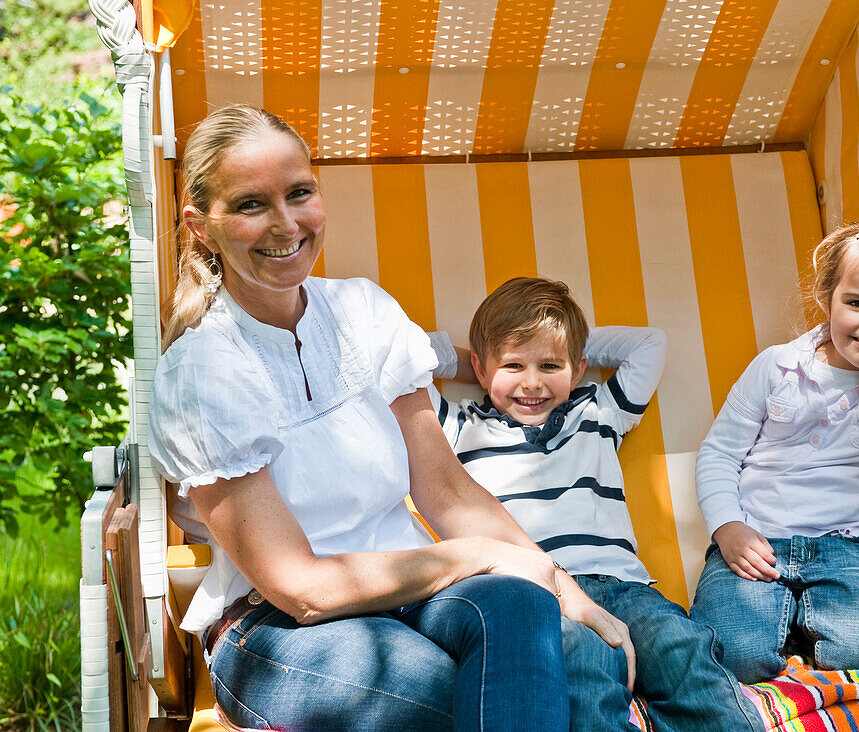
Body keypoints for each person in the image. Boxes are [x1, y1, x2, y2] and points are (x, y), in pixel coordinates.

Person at [147, 105, 632, 732]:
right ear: (201, 226)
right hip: (277, 627)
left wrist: (560, 585)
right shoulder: (203, 373)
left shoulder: (362, 311)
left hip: (412, 588)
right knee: (470, 693)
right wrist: (476, 556)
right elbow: (303, 589)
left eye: (300, 193)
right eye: (250, 204)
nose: (286, 223)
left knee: (533, 613)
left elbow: (444, 485)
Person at [425, 277, 765, 732]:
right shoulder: (457, 427)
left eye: (549, 365)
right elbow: (395, 360)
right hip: (542, 595)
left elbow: (650, 343)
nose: (532, 383)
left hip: (626, 586)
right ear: (480, 370)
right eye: (512, 366)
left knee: (685, 653)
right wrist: (475, 359)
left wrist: (566, 346)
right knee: (584, 672)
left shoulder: (599, 412)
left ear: (579, 367)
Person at [690, 212, 859, 684]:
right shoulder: (778, 365)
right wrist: (727, 528)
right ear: (828, 299)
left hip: (849, 546)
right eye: (856, 303)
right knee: (729, 657)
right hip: (755, 538)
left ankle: (802, 640)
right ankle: (789, 640)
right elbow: (719, 453)